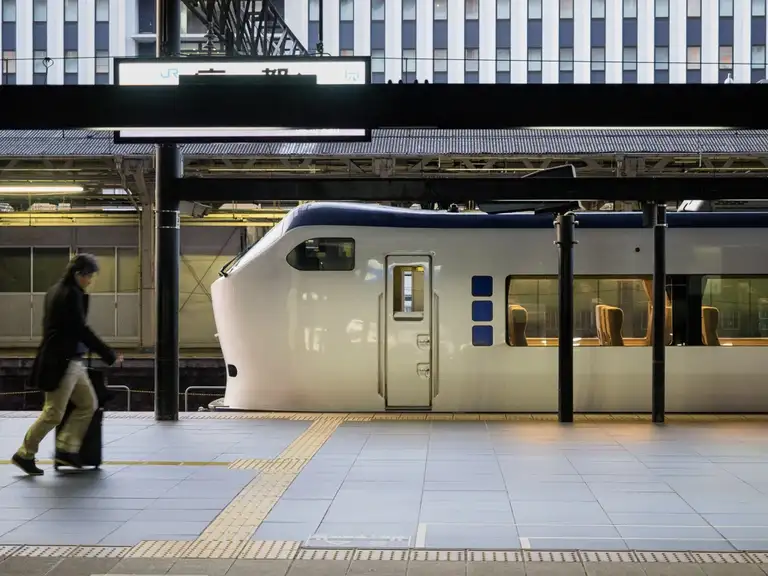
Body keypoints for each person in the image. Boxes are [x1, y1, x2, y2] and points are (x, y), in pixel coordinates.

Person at [12, 253, 123, 475]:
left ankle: (66, 449)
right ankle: (24, 453)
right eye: (88, 276)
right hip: (61, 362)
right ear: (78, 274)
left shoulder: (57, 290)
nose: (90, 280)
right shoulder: (68, 295)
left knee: (88, 404)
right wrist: (108, 354)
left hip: (73, 361)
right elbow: (81, 329)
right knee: (53, 413)